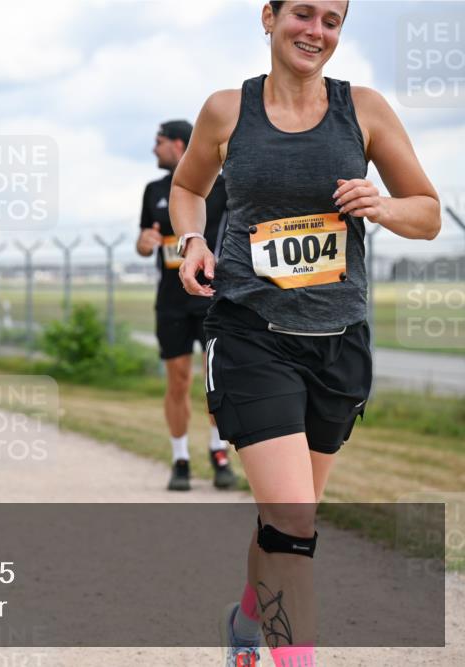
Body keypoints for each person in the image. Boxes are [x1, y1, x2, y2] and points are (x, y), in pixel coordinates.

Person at [170, 2, 441, 666]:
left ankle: (244, 619)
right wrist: (193, 240)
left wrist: (382, 204)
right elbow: (187, 187)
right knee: (294, 522)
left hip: (338, 342)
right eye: (301, 14)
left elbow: (428, 212)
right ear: (269, 16)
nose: (314, 31)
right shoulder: (227, 110)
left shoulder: (365, 111)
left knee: (287, 520)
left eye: (331, 19)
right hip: (251, 333)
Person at [137, 119, 237, 492]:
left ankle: (218, 453)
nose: (154, 149)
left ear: (179, 144)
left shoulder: (225, 187)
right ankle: (180, 458)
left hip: (214, 298)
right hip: (171, 301)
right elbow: (145, 240)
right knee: (177, 381)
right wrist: (144, 243)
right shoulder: (153, 190)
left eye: (159, 141)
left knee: (218, 381)